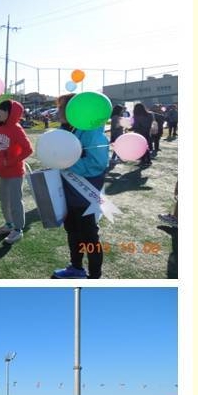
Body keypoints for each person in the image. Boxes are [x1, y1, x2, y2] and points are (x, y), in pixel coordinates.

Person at [51, 93, 111, 280]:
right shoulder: (67, 129)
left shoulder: (92, 132)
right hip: (68, 194)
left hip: (85, 195)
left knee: (89, 237)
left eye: (62, 107)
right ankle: (76, 268)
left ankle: (95, 277)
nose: (58, 111)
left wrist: (66, 163)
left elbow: (97, 164)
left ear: (75, 110)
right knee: (73, 232)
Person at [0, 99, 32, 244]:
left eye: (2, 110)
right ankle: (9, 224)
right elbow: (3, 148)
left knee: (15, 202)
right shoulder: (1, 126)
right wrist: (0, 161)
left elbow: (28, 150)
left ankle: (18, 230)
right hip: (4, 172)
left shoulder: (16, 128)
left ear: (11, 113)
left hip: (15, 172)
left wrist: (10, 162)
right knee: (4, 200)